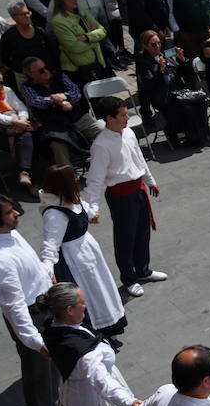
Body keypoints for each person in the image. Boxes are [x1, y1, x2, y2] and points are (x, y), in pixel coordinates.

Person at [0, 194, 61, 406]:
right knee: (38, 374)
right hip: (32, 317)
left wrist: (45, 274)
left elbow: (29, 267)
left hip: (43, 306)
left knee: (51, 368)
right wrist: (35, 342)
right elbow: (15, 308)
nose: (17, 214)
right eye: (9, 212)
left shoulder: (11, 234)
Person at [84, 97, 166, 297]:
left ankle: (143, 270)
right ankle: (129, 279)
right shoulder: (101, 145)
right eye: (122, 115)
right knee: (125, 239)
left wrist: (150, 180)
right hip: (121, 196)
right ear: (109, 119)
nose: (127, 118)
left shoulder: (129, 133)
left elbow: (139, 158)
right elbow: (95, 179)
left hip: (138, 190)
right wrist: (93, 208)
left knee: (142, 233)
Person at [38, 165, 126, 343]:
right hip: (74, 261)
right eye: (74, 177)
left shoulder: (71, 200)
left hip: (87, 253)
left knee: (100, 289)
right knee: (89, 295)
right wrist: (48, 270)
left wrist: (91, 215)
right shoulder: (54, 214)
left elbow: (84, 210)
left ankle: (108, 329)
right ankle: (95, 334)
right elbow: (50, 245)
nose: (77, 179)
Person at [18, 57, 101, 164]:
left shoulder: (60, 76)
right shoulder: (27, 87)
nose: (46, 71)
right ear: (30, 74)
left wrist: (65, 96)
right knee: (57, 145)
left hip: (78, 117)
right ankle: (67, 172)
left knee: (105, 131)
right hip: (55, 125)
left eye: (46, 68)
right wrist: (54, 100)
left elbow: (76, 92)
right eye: (41, 70)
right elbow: (35, 101)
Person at [134, 30, 208, 147]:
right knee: (186, 108)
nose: (158, 46)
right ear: (146, 46)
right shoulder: (143, 62)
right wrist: (161, 70)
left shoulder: (165, 54)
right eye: (153, 44)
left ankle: (201, 133)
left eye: (159, 43)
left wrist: (182, 60)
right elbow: (148, 84)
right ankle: (187, 135)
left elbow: (183, 72)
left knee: (200, 102)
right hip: (162, 95)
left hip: (178, 91)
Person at [50, 0, 110, 87]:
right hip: (79, 70)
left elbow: (102, 31)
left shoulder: (82, 11)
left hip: (97, 63)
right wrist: (95, 39)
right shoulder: (58, 21)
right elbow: (75, 47)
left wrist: (87, 37)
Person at [0, 3, 56, 85]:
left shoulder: (40, 31)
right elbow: (5, 59)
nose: (27, 16)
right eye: (23, 14)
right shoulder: (8, 37)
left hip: (46, 72)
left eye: (28, 13)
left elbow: (52, 50)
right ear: (14, 17)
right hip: (24, 77)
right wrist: (21, 70)